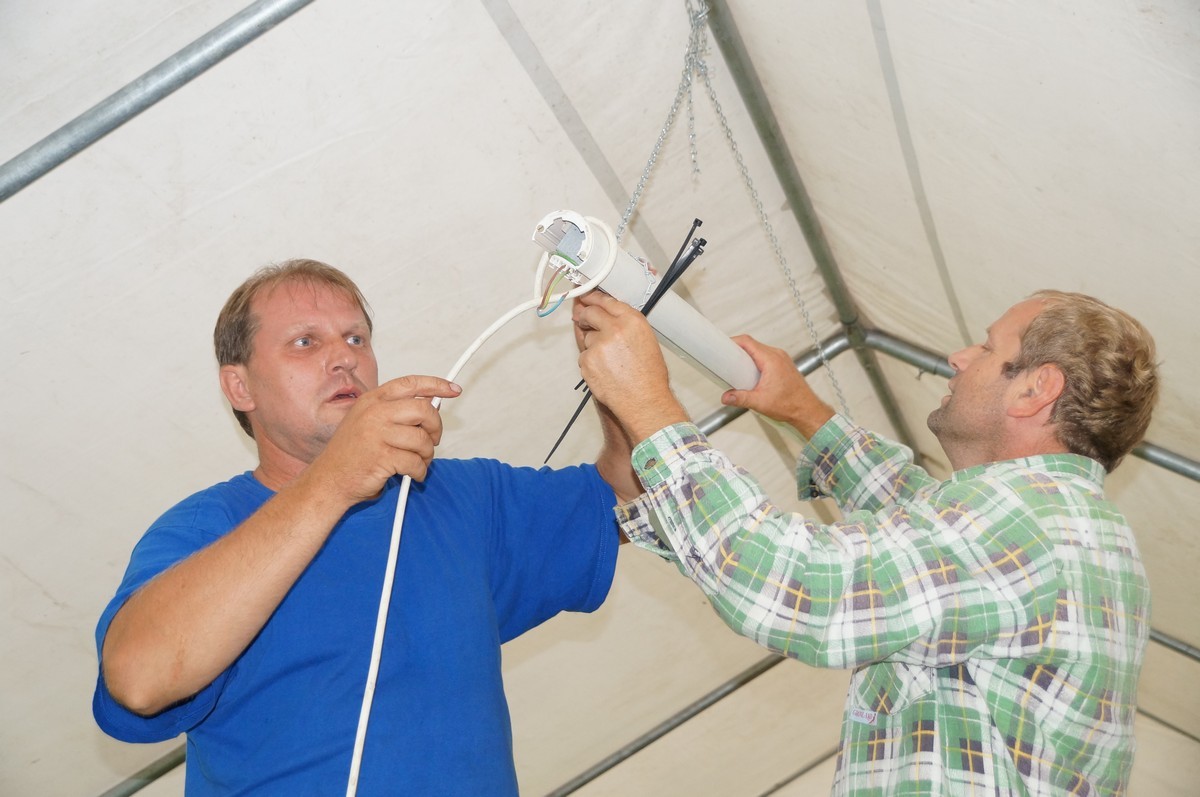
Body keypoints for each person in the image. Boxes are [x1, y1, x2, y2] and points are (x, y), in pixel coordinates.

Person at [572, 289, 1158, 795]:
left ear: (1036, 389)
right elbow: (910, 515)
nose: (959, 358)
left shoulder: (1024, 521)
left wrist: (650, 404)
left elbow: (801, 587)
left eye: (986, 348)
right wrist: (803, 410)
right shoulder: (1061, 524)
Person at [93, 259, 638, 795]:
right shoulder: (205, 527)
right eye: (305, 342)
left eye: (356, 339)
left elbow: (631, 495)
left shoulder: (460, 496)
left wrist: (623, 387)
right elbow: (139, 679)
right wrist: (333, 482)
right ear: (240, 388)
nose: (343, 358)